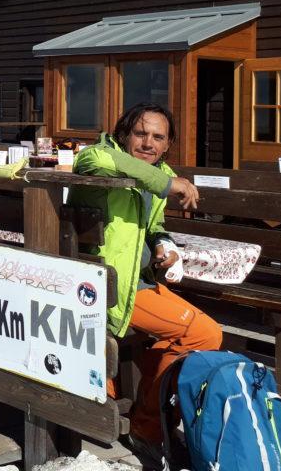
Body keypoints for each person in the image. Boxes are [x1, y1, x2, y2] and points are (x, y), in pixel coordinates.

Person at [69, 103, 222, 461]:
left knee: (197, 333)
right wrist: (168, 184)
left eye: (158, 137)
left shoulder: (160, 172)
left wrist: (162, 245)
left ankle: (148, 408)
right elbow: (94, 158)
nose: (148, 143)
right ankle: (148, 426)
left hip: (136, 282)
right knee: (204, 333)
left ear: (168, 144)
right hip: (105, 285)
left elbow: (152, 226)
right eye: (141, 133)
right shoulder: (99, 158)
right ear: (123, 134)